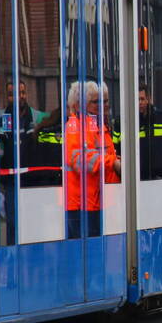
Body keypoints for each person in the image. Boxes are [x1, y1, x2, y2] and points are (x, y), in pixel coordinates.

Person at [64, 81, 119, 239]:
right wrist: (113, 163)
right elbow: (78, 159)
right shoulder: (75, 126)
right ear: (83, 105)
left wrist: (115, 161)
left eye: (106, 101)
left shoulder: (99, 126)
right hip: (81, 206)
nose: (104, 105)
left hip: (99, 202)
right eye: (97, 102)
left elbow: (102, 155)